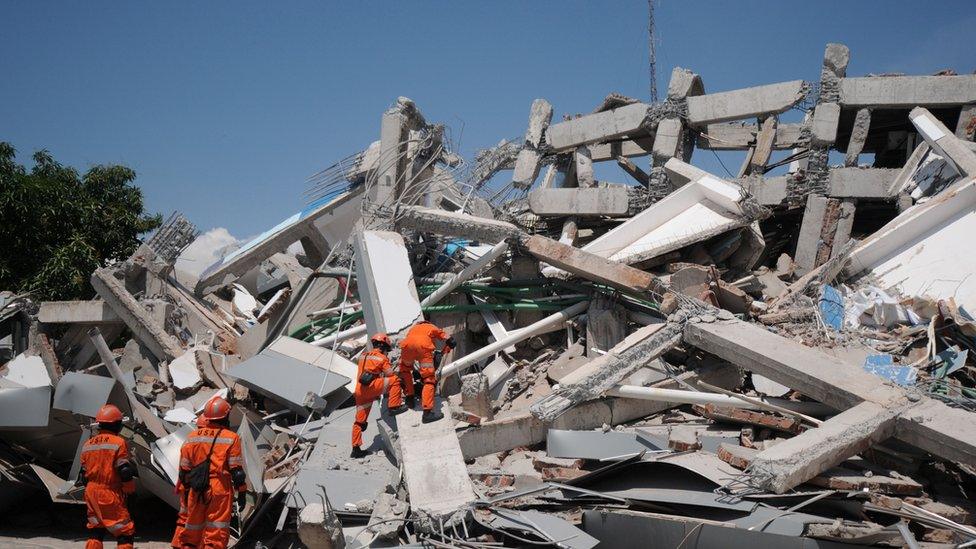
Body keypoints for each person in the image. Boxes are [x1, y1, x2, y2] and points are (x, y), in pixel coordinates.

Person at [178, 397, 247, 549]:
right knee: (215, 533)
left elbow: (184, 471)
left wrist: (188, 492)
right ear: (225, 416)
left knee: (192, 532)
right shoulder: (231, 438)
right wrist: (242, 492)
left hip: (196, 488)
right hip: (219, 489)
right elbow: (237, 473)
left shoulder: (192, 437)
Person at [79, 404, 136, 549]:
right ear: (116, 424)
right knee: (125, 532)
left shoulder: (88, 444)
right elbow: (124, 470)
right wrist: (129, 489)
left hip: (91, 492)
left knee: (96, 530)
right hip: (109, 492)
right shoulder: (118, 442)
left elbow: (83, 476)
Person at [351, 333, 407, 458]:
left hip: (359, 391)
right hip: (371, 388)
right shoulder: (381, 358)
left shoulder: (363, 356)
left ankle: (355, 449)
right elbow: (390, 374)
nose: (387, 352)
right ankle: (394, 406)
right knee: (395, 381)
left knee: (359, 422)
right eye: (386, 350)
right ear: (383, 347)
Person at [398, 319, 455, 423]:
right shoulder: (431, 327)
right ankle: (427, 413)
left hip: (406, 346)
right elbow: (445, 336)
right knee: (429, 379)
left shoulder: (413, 328)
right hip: (423, 347)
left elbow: (412, 342)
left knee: (405, 370)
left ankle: (410, 398)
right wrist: (450, 342)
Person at [171, 414, 209, 548]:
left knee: (184, 517)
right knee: (196, 519)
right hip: (193, 487)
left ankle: (178, 543)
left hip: (185, 484)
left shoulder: (190, 439)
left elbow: (184, 466)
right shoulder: (206, 442)